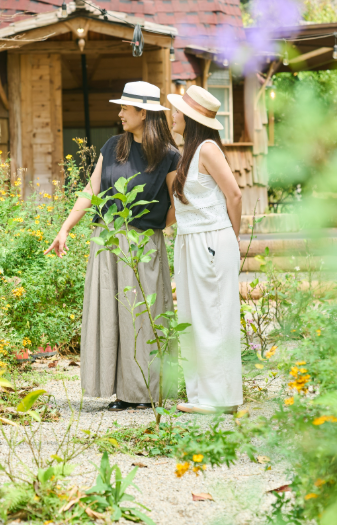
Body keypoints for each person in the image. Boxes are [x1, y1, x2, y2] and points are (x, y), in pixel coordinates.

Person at [46, 81, 180, 411]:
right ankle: (117, 391)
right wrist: (65, 228)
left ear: (143, 113)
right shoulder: (113, 146)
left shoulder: (169, 156)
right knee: (109, 315)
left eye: (125, 108)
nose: (119, 113)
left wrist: (154, 228)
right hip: (107, 242)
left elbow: (178, 203)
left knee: (142, 317)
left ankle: (146, 391)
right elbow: (90, 192)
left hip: (143, 245)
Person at [166, 85, 243, 414]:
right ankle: (202, 395)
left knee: (213, 316)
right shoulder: (188, 152)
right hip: (188, 240)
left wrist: (233, 242)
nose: (172, 114)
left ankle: (219, 398)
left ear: (189, 117)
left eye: (176, 110)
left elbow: (235, 195)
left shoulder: (208, 149)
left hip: (212, 239)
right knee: (193, 317)